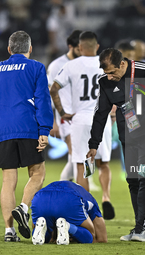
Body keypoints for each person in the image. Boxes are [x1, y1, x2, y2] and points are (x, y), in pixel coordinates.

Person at [0, 31, 53, 242]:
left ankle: (9, 231)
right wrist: (44, 130)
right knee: (37, 174)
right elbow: (43, 100)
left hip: (2, 129)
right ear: (30, 49)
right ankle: (23, 208)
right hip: (28, 127)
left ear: (9, 49)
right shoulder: (36, 67)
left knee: (8, 181)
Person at [86, 48, 145, 242]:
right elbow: (100, 114)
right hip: (128, 136)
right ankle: (141, 228)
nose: (109, 77)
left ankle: (140, 228)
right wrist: (94, 144)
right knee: (133, 180)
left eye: (112, 72)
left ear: (123, 64)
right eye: (106, 73)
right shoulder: (104, 82)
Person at [50, 31, 115, 220]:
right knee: (104, 164)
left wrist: (62, 113)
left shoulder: (70, 66)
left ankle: (87, 207)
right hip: (101, 119)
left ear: (80, 48)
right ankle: (106, 197)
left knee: (81, 165)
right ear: (96, 47)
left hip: (79, 120)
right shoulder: (105, 65)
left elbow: (54, 89)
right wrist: (112, 110)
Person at [47, 30, 82, 181]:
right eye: (79, 49)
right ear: (70, 46)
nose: (83, 52)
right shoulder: (56, 66)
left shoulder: (87, 63)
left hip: (84, 116)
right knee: (76, 154)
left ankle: (63, 187)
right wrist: (51, 120)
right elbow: (48, 93)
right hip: (65, 116)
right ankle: (78, 193)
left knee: (75, 156)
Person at [31, 181, 107, 245]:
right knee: (90, 236)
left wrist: (54, 236)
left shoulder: (77, 190)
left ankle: (42, 231)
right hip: (69, 198)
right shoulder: (90, 200)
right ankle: (68, 227)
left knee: (42, 229)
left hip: (40, 197)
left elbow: (34, 225)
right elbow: (102, 239)